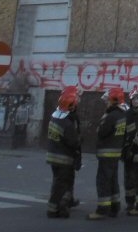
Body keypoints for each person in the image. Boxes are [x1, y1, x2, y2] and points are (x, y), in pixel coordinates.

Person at [88, 87, 129, 220]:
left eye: (108, 100)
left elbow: (102, 132)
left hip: (106, 153)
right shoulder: (122, 115)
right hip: (115, 153)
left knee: (103, 181)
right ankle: (114, 207)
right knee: (113, 181)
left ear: (113, 101)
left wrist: (103, 119)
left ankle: (102, 209)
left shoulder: (111, 116)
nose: (107, 103)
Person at [46, 86, 82, 219]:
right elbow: (73, 142)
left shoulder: (55, 118)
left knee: (59, 182)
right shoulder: (67, 123)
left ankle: (63, 205)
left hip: (53, 155)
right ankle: (54, 208)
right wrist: (79, 141)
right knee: (62, 184)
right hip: (63, 158)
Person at [123, 91, 138, 212]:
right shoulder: (127, 114)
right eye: (133, 99)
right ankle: (130, 202)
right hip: (129, 149)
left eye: (137, 99)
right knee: (129, 177)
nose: (135, 101)